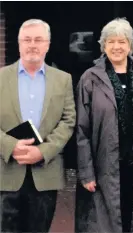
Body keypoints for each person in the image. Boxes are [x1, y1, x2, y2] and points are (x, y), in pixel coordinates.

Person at [75, 18, 133, 233]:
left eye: (122, 41)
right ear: (103, 46)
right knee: (105, 223)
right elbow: (81, 130)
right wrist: (86, 172)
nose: (117, 47)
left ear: (130, 45)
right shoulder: (90, 79)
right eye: (111, 42)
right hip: (105, 169)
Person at [0, 19, 76, 233]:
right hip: (5, 173)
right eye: (27, 39)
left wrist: (43, 151)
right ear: (19, 43)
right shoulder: (0, 78)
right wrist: (10, 145)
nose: (32, 44)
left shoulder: (63, 80)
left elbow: (69, 120)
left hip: (45, 173)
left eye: (38, 39)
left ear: (48, 44)